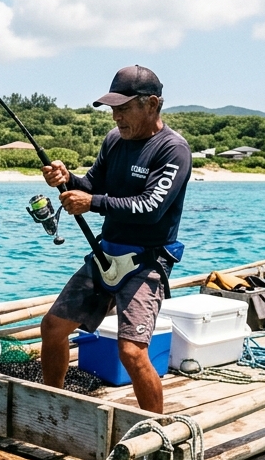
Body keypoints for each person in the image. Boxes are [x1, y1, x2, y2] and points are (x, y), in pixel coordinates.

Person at [39, 65, 192, 413]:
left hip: (146, 263)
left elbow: (151, 207)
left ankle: (156, 432)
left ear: (152, 104)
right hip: (105, 255)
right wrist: (67, 179)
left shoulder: (173, 150)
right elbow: (92, 185)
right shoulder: (114, 140)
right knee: (52, 327)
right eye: (113, 109)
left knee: (131, 351)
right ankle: (53, 406)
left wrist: (91, 203)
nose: (116, 116)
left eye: (123, 108)